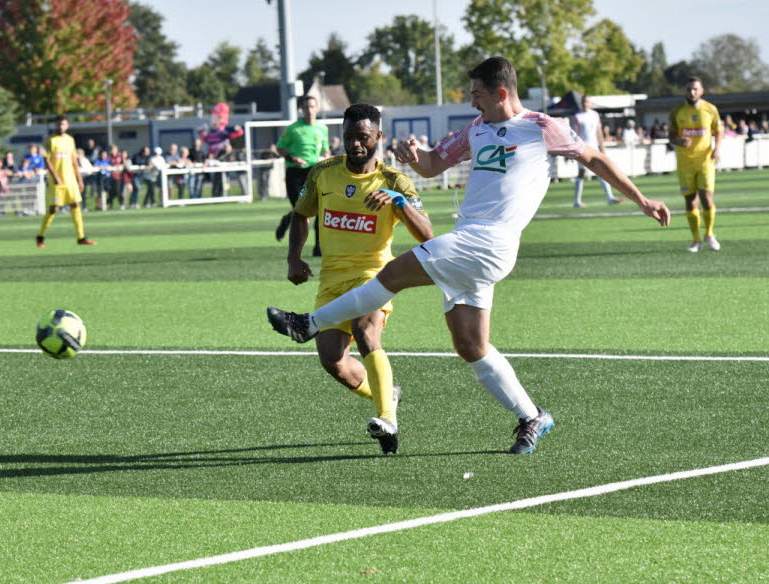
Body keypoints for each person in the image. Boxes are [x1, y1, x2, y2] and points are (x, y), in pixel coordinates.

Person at [267, 57, 671, 455]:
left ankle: (310, 324)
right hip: (470, 240)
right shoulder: (476, 129)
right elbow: (431, 166)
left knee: (393, 273)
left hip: (492, 240)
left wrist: (641, 200)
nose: (472, 101)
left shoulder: (541, 127)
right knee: (470, 346)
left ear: (500, 92)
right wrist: (413, 156)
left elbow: (595, 158)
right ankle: (532, 416)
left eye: (477, 94)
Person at [283, 104, 434, 454]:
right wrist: (294, 257)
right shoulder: (323, 173)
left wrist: (400, 203)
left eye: (363, 138)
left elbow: (427, 233)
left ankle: (387, 420)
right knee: (332, 360)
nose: (355, 145)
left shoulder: (395, 181)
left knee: (367, 332)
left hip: (375, 274)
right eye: (349, 137)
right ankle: (387, 395)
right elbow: (301, 215)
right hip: (331, 279)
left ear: (378, 137)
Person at [669, 77, 723, 253]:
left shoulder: (710, 109)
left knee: (707, 199)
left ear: (701, 91)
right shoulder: (677, 111)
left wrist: (717, 149)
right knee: (690, 201)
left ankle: (709, 234)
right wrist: (678, 140)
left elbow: (718, 131)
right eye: (689, 89)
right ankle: (696, 240)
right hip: (685, 163)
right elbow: (670, 136)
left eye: (695, 89)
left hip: (705, 160)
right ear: (685, 91)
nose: (692, 92)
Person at [273, 95, 329, 255]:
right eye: (306, 107)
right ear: (301, 110)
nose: (309, 110)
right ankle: (287, 221)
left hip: (314, 172)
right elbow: (280, 148)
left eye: (312, 107)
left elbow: (325, 149)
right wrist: (293, 158)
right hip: (295, 173)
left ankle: (318, 247)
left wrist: (327, 156)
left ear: (317, 108)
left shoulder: (323, 128)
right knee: (301, 210)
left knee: (320, 208)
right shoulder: (293, 129)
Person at [36, 114, 94, 247]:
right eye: (58, 124)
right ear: (55, 125)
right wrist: (55, 176)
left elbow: (74, 161)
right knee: (54, 208)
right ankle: (40, 236)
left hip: (71, 180)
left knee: (76, 205)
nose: (60, 126)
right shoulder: (50, 140)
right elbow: (47, 160)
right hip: (57, 181)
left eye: (63, 124)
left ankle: (81, 237)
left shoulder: (70, 140)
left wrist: (79, 179)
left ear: (67, 125)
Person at [569, 96, 621, 208]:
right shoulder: (577, 116)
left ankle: (610, 197)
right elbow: (574, 134)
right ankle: (577, 201)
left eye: (587, 101)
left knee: (601, 171)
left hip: (594, 147)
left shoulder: (595, 115)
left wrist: (602, 148)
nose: (585, 103)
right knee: (581, 173)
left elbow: (599, 132)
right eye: (583, 101)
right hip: (582, 148)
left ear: (590, 103)